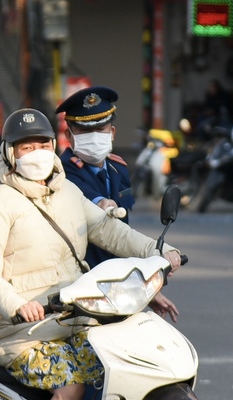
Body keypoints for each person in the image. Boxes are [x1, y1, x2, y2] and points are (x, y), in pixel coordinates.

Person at [0, 108, 182, 400]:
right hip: (18, 329)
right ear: (9, 153)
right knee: (71, 388)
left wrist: (158, 251)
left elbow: (110, 231)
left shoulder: (67, 191)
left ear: (54, 146)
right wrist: (17, 305)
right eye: (24, 147)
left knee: (120, 368)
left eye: (40, 144)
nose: (34, 153)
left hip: (71, 317)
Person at [57, 86, 178, 320]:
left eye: (100, 129)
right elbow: (98, 212)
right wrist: (102, 204)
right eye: (83, 130)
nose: (93, 136)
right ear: (69, 135)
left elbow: (123, 233)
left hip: (115, 286)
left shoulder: (118, 168)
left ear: (112, 132)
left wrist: (143, 288)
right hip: (77, 285)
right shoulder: (61, 172)